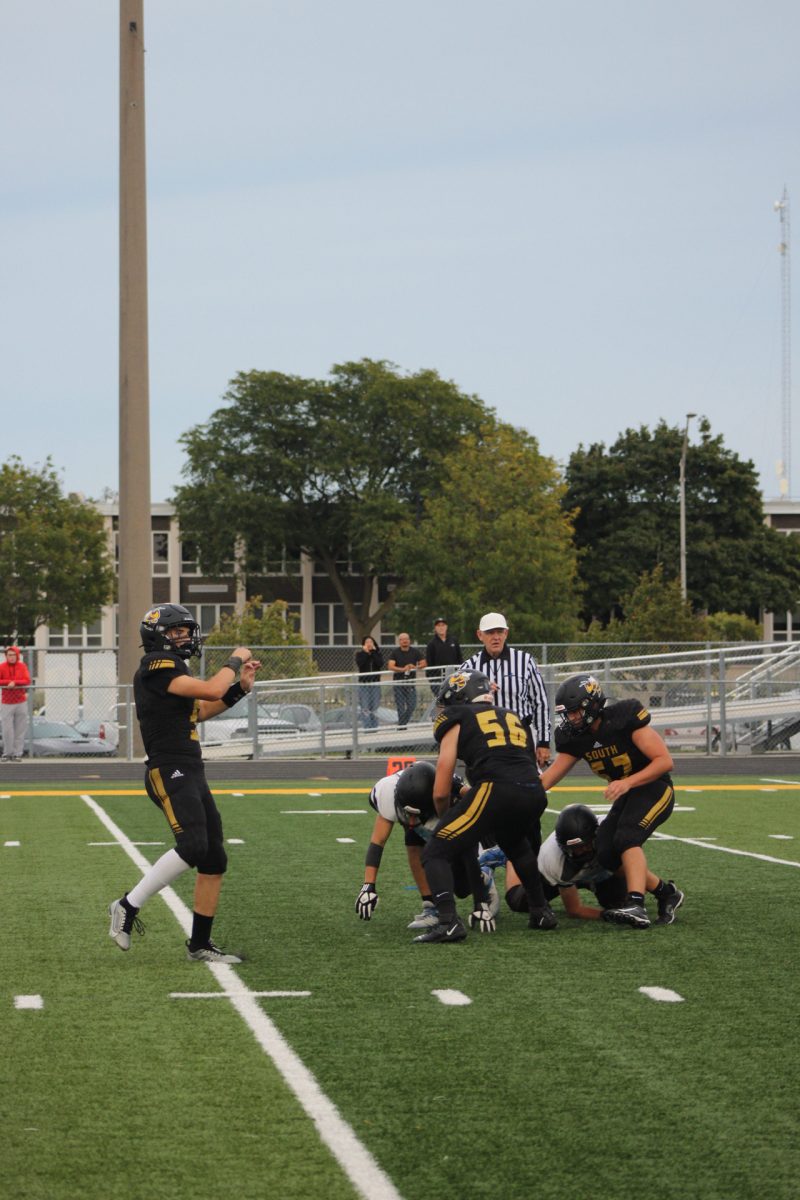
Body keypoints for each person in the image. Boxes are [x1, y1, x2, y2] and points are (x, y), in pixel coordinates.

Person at [107, 603, 261, 961]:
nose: (185, 637)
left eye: (185, 631)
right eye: (177, 632)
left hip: (190, 766)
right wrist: (235, 659)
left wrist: (239, 689)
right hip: (168, 768)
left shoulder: (173, 672)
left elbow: (202, 710)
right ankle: (128, 905)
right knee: (192, 846)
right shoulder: (156, 665)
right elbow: (209, 689)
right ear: (159, 636)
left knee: (213, 858)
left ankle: (200, 944)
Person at [414, 669, 554, 943]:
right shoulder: (512, 716)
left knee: (435, 851)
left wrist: (447, 818)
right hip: (534, 791)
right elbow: (527, 762)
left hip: (496, 788)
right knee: (515, 843)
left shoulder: (458, 716)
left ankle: (448, 922)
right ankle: (541, 910)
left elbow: (443, 779)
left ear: (461, 697)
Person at [539, 674, 685, 929]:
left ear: (592, 705)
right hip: (627, 793)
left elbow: (664, 761)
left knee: (627, 837)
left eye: (576, 711)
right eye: (568, 713)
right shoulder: (575, 737)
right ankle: (666, 893)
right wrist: (519, 792)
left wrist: (627, 782)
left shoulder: (622, 718)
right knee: (605, 852)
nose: (571, 718)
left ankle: (636, 904)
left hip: (654, 787)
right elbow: (549, 777)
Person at [354, 760, 498, 931]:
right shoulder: (387, 790)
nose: (412, 821)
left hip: (451, 821)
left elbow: (476, 807)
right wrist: (368, 885)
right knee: (412, 838)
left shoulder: (449, 792)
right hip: (429, 812)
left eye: (417, 815)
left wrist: (479, 902)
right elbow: (378, 842)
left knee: (461, 887)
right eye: (409, 814)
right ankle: (431, 906)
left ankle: (485, 877)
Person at [486, 804, 629, 921]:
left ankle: (594, 882)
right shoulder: (553, 860)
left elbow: (634, 869)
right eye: (575, 848)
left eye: (585, 845)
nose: (582, 851)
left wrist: (639, 896)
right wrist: (606, 915)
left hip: (597, 869)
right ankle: (511, 857)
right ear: (563, 847)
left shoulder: (609, 832)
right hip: (563, 873)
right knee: (517, 903)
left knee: (618, 902)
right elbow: (574, 910)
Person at [459, 612, 551, 769]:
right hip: (484, 738)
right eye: (490, 632)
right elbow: (456, 707)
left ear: (506, 633)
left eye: (500, 632)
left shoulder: (525, 661)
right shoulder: (468, 668)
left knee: (526, 787)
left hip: (520, 735)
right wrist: (477, 693)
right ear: (480, 635)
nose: (496, 637)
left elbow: (540, 702)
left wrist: (543, 741)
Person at [387, 632, 426, 728]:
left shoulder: (415, 652)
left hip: (410, 683)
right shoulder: (395, 652)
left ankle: (401, 724)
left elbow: (424, 663)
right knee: (400, 707)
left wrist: (415, 667)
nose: (405, 641)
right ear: (399, 641)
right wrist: (403, 669)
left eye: (407, 639)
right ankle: (402, 727)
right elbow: (390, 666)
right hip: (398, 683)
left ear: (409, 640)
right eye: (402, 639)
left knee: (412, 705)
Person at [0, 646, 31, 762]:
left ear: (17, 655)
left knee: (20, 729)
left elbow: (27, 680)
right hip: (6, 702)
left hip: (20, 701)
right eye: (9, 655)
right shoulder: (2, 667)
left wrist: (15, 683)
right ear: (6, 656)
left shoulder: (22, 666)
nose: (11, 657)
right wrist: (8, 682)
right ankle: (7, 753)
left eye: (13, 655)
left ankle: (17, 753)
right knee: (7, 729)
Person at [424, 617, 462, 695]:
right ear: (435, 628)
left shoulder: (454, 640)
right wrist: (432, 680)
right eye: (438, 625)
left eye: (443, 625)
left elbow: (460, 658)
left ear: (446, 627)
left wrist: (460, 673)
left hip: (453, 677)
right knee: (441, 701)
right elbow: (429, 662)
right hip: (438, 678)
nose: (441, 627)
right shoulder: (431, 643)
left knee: (454, 700)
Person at [355, 635, 384, 729]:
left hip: (375, 684)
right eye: (367, 642)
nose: (369, 644)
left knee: (375, 707)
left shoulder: (377, 654)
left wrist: (374, 652)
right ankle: (367, 727)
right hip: (364, 684)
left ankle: (374, 727)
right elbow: (360, 664)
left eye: (371, 642)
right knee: (365, 707)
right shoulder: (360, 654)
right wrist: (365, 653)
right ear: (363, 645)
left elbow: (380, 663)